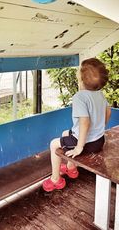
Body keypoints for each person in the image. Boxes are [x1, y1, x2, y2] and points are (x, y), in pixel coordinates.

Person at [42, 58, 111, 192]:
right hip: (99, 140)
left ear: (81, 80)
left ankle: (56, 180)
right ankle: (71, 168)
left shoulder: (80, 97)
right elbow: (108, 111)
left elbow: (85, 122)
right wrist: (100, 127)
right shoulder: (100, 94)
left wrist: (80, 146)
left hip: (86, 143)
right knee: (64, 134)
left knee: (54, 144)